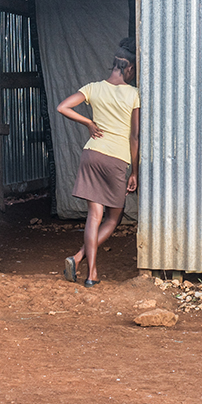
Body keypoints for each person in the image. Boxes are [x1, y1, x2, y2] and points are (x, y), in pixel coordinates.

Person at [56, 37, 140, 287]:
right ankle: (81, 260)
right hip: (115, 159)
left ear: (114, 65)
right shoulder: (134, 95)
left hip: (91, 153)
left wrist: (89, 123)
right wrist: (134, 172)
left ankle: (88, 269)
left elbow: (63, 107)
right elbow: (134, 137)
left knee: (94, 215)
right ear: (130, 69)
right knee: (113, 218)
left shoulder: (93, 88)